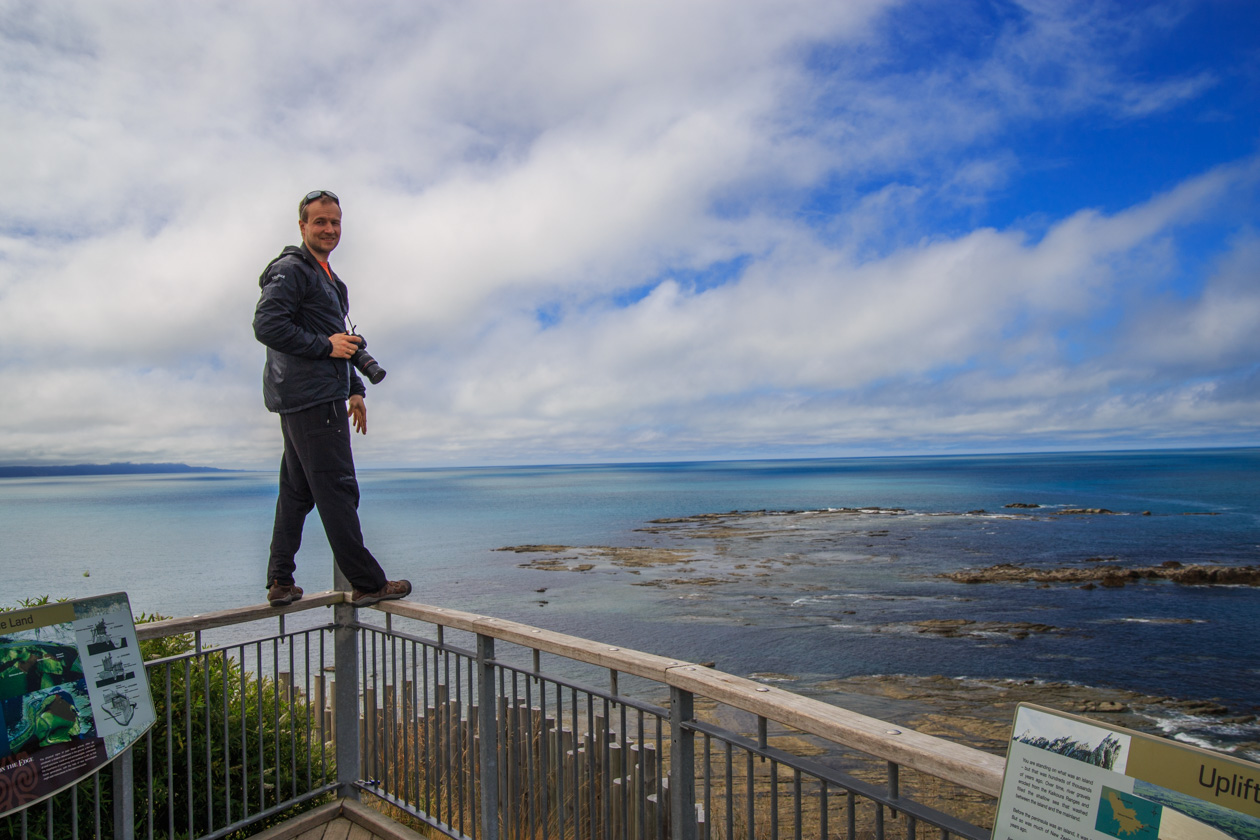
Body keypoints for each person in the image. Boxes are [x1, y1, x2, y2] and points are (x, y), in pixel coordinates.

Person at [253, 189, 411, 608]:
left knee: (297, 492)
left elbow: (339, 341)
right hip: (310, 397)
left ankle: (280, 581)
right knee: (339, 489)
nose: (329, 229)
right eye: (320, 221)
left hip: (319, 394)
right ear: (302, 226)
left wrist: (356, 389)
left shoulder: (330, 281)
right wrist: (325, 347)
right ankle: (367, 582)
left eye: (335, 222)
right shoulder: (291, 270)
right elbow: (267, 326)